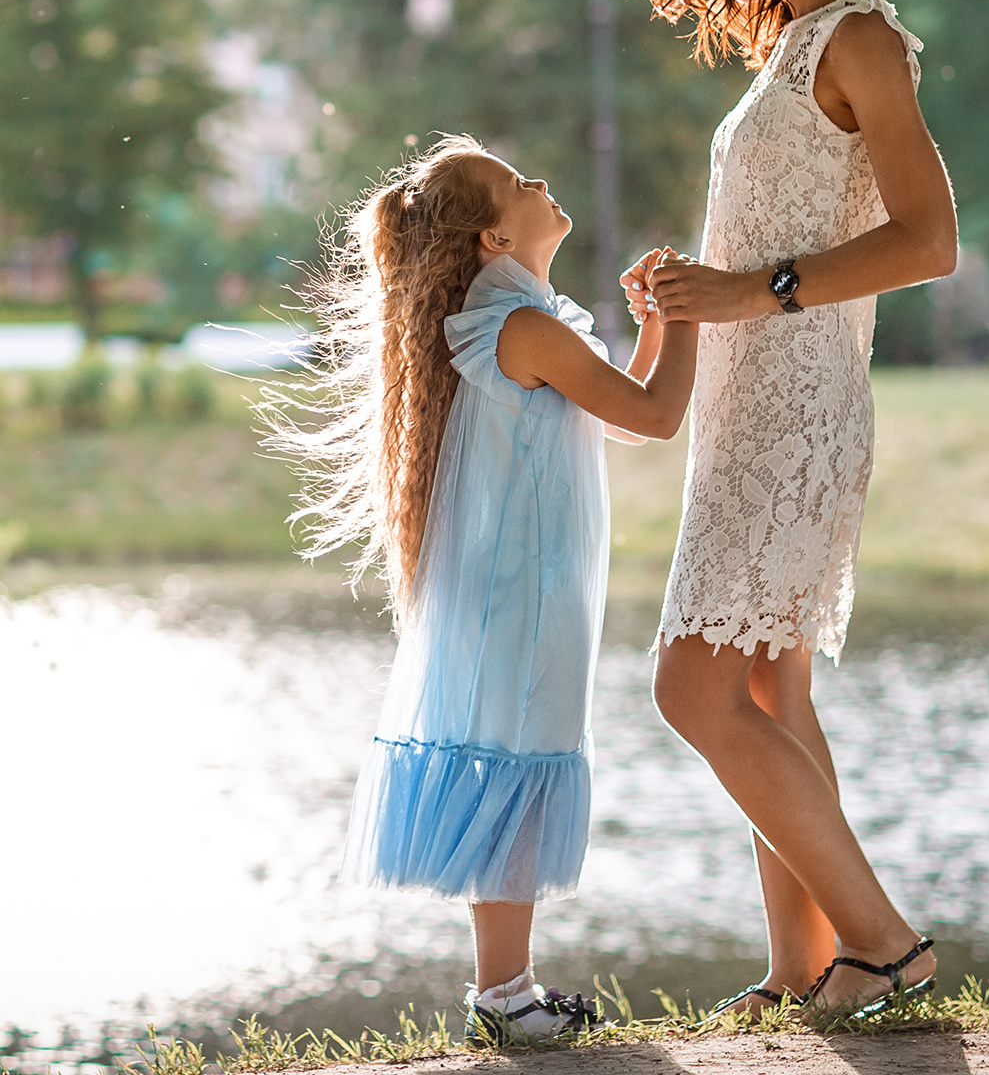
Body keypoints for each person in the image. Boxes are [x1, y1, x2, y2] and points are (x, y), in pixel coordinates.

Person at [617, 0, 959, 1020]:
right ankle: (805, 965)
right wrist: (688, 291)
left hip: (798, 406)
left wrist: (746, 290)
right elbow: (776, 233)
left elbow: (929, 242)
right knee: (769, 693)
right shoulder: (790, 45)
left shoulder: (858, 37)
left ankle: (886, 940)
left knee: (689, 689)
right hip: (746, 400)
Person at [264, 135, 700, 1045]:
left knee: (512, 752)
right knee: (518, 754)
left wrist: (656, 323)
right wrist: (691, 316)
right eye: (516, 183)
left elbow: (618, 417)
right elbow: (655, 419)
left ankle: (508, 991)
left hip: (522, 582)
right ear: (495, 239)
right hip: (526, 588)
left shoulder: (517, 318)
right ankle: (505, 996)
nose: (540, 181)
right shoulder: (521, 327)